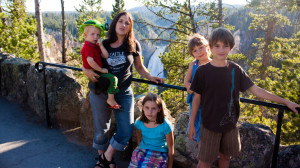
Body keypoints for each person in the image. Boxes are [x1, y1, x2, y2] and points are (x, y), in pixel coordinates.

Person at [188, 27, 300, 168]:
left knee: (226, 158)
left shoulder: (236, 70)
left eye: (225, 46)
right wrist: (192, 124)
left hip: (230, 126)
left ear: (231, 47)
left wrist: (285, 102)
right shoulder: (202, 71)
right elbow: (197, 98)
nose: (221, 50)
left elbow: (256, 90)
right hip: (209, 126)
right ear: (211, 47)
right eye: (217, 46)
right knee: (205, 162)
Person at [82, 12, 164, 168]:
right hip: (101, 91)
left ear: (130, 27)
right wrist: (84, 70)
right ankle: (104, 160)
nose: (123, 25)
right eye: (120, 21)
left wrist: (151, 77)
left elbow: (139, 67)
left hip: (124, 92)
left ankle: (105, 158)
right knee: (101, 128)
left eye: (127, 23)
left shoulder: (133, 44)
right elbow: (87, 57)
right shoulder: (103, 43)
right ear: (115, 24)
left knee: (126, 130)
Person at [80, 19, 121, 109]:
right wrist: (101, 70)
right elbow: (90, 61)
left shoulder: (94, 46)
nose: (96, 37)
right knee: (113, 79)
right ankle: (110, 99)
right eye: (93, 34)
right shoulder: (88, 46)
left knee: (112, 80)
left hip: (96, 70)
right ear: (85, 35)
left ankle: (112, 89)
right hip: (95, 71)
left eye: (98, 35)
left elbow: (105, 56)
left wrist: (101, 46)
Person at [128, 93, 174, 168]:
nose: (149, 112)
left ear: (159, 109)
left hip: (159, 153)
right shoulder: (139, 123)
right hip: (143, 150)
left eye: (154, 108)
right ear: (142, 107)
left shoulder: (166, 125)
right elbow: (139, 141)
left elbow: (170, 148)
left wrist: (170, 166)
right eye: (147, 107)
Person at [184, 34, 211, 142]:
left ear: (208, 47)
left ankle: (204, 148)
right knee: (195, 122)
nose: (199, 52)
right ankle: (199, 145)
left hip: (207, 103)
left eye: (201, 48)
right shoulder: (193, 64)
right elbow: (186, 80)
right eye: (195, 51)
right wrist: (188, 86)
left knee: (205, 124)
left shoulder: (213, 64)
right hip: (194, 102)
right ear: (192, 54)